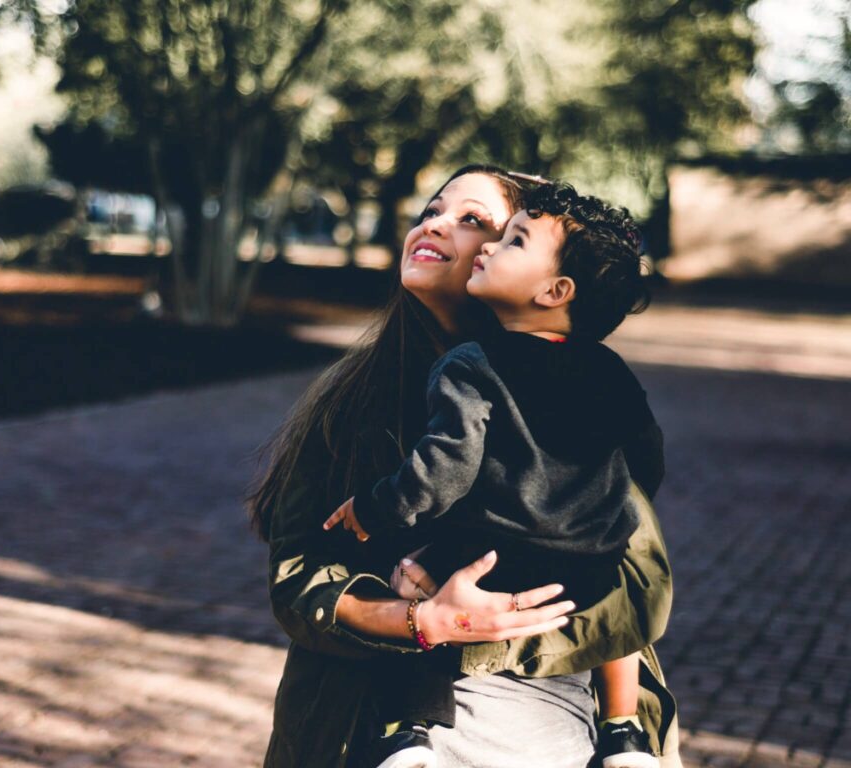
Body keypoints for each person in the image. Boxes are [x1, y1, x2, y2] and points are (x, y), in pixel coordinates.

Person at [250, 165, 680, 768]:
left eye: (476, 221)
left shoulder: (576, 401)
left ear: (551, 281)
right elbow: (298, 577)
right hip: (362, 728)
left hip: (546, 726)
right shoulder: (349, 398)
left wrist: (510, 611)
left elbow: (635, 580)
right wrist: (423, 620)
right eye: (432, 210)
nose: (434, 225)